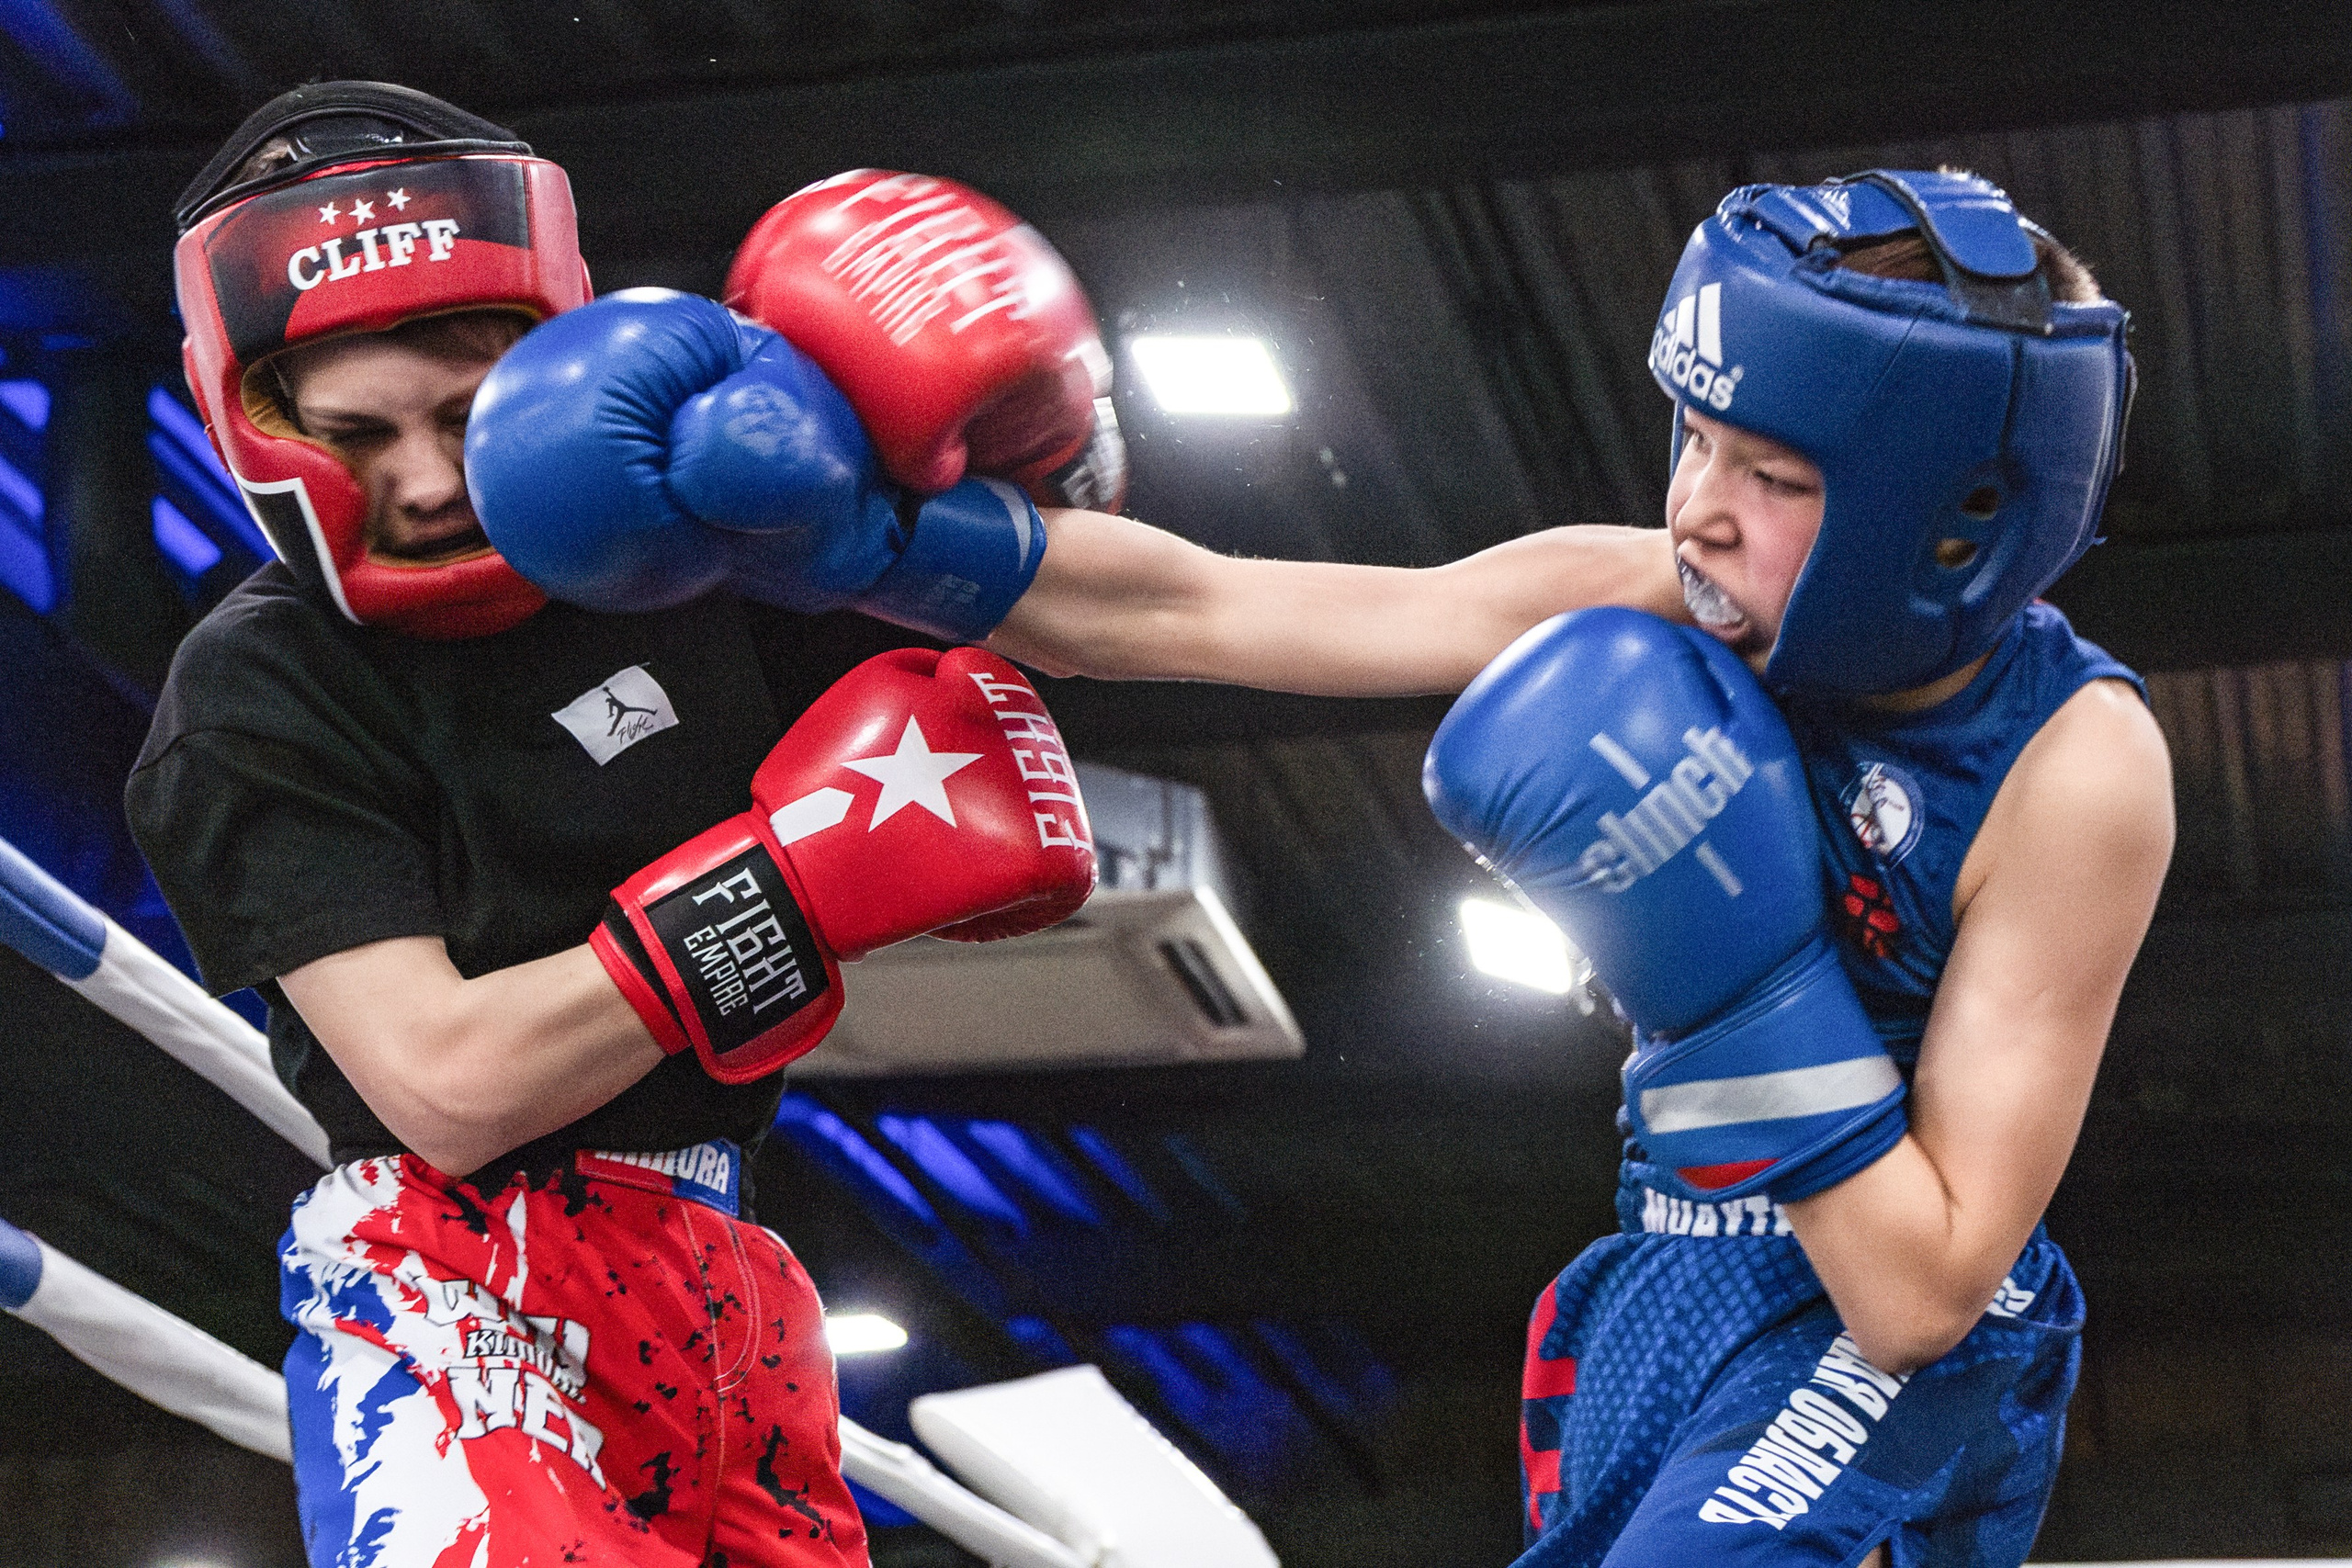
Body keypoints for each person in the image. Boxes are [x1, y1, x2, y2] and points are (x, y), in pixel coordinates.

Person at [601, 167, 2170, 1566]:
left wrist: (1740, 984)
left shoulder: (2073, 767)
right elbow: (1201, 613)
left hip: (1885, 1350)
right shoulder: (1641, 598)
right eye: (1697, 434)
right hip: (1656, 1277)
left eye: (1776, 477)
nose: (1696, 506)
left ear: (1945, 523)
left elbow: (1922, 1293)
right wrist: (858, 539)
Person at [124, 84, 1101, 1566]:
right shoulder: (262, 680)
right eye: (357, 432)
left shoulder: (698, 561)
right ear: (262, 430)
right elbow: (446, 1085)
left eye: (463, 416)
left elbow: (1112, 623)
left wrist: (1044, 462)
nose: (429, 482)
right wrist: (797, 882)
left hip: (730, 1273)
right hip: (452, 1272)